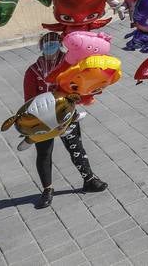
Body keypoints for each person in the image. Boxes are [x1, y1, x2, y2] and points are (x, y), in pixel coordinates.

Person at [23, 33, 108, 209]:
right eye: (47, 45)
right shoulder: (33, 71)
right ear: (40, 47)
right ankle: (47, 190)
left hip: (67, 115)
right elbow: (29, 99)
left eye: (54, 44)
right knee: (44, 153)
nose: (50, 48)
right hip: (43, 121)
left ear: (61, 45)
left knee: (76, 147)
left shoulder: (70, 64)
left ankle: (89, 179)